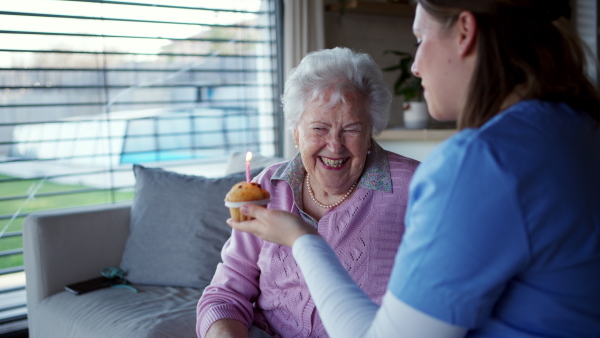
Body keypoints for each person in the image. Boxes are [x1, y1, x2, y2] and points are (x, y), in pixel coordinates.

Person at [228, 1, 600, 337]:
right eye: (319, 128)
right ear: (296, 131)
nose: (416, 65)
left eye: (420, 38)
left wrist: (301, 238)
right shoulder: (576, 128)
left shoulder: (481, 163)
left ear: (465, 33)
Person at [196, 47, 420, 338]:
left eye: (351, 129)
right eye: (319, 128)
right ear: (296, 132)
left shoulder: (417, 188)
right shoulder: (266, 189)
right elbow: (226, 295)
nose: (335, 145)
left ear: (370, 133)